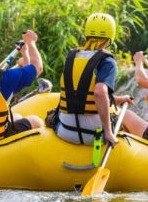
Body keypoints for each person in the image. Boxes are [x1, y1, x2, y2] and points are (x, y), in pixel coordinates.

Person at [53, 13, 133, 147]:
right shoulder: (107, 61)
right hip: (93, 135)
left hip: (64, 131)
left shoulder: (72, 56)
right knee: (121, 120)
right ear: (110, 37)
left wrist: (117, 99)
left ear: (87, 34)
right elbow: (99, 93)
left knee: (52, 116)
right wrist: (108, 132)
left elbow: (82, 92)